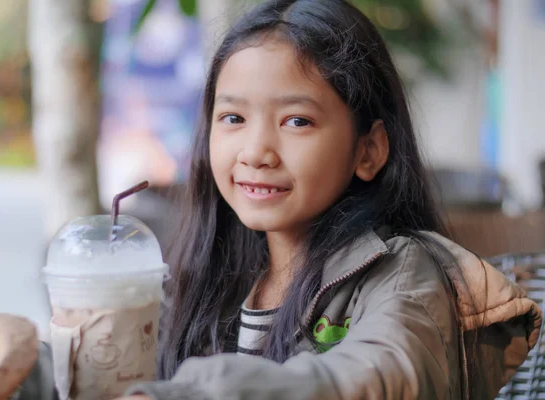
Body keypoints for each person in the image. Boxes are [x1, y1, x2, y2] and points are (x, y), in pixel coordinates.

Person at [116, 0, 542, 399]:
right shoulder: (205, 277)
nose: (255, 152)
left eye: (297, 120)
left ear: (368, 150)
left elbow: (381, 374)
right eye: (233, 118)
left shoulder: (403, 273)